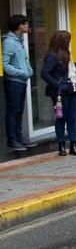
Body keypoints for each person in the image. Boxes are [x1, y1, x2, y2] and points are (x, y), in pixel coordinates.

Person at [40, 31, 76, 157]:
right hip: (59, 93)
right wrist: (58, 85)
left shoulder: (67, 54)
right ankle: (61, 145)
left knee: (72, 118)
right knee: (61, 117)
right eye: (68, 40)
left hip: (71, 88)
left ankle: (73, 145)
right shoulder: (53, 56)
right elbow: (44, 73)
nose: (69, 42)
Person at [3, 15, 37, 152]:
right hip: (14, 82)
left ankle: (19, 137)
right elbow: (5, 65)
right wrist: (22, 73)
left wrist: (28, 71)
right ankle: (12, 140)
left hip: (21, 81)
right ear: (19, 26)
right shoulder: (9, 42)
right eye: (26, 23)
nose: (28, 26)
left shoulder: (18, 41)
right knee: (13, 111)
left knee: (19, 111)